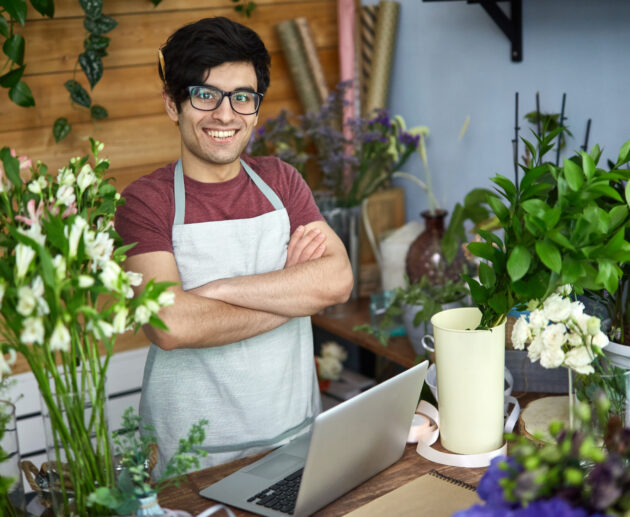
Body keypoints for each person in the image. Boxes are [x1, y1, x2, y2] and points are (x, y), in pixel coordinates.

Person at [114, 16, 353, 477]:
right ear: (173, 104)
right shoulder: (146, 201)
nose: (226, 115)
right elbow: (169, 325)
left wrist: (213, 290)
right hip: (189, 460)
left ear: (256, 108)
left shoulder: (282, 182)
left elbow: (338, 281)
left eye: (242, 97)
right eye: (206, 95)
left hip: (295, 440)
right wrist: (296, 296)